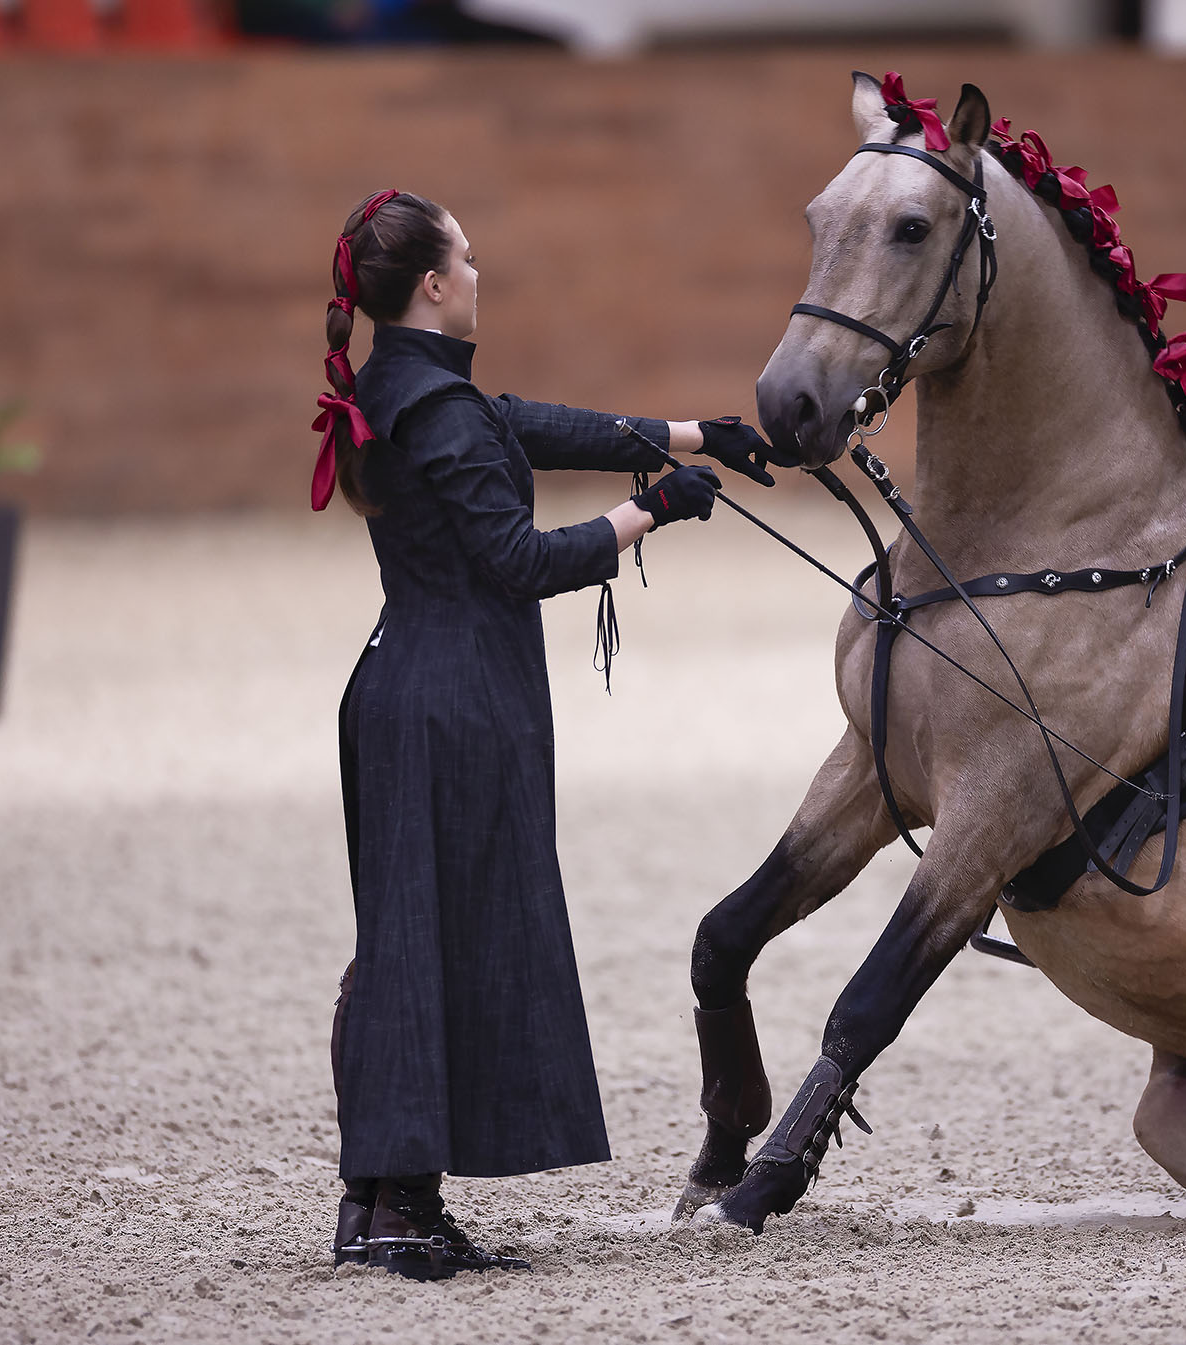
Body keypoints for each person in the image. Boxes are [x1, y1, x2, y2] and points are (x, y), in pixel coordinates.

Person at [311, 188, 786, 1280]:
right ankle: (393, 1209)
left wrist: (690, 431)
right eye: (466, 259)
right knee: (433, 940)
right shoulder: (434, 406)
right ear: (432, 284)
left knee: (420, 937)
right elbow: (517, 561)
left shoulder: (407, 383)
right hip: (450, 703)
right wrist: (651, 510)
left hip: (413, 689)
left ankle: (385, 1203)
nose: (479, 272)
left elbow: (524, 422)